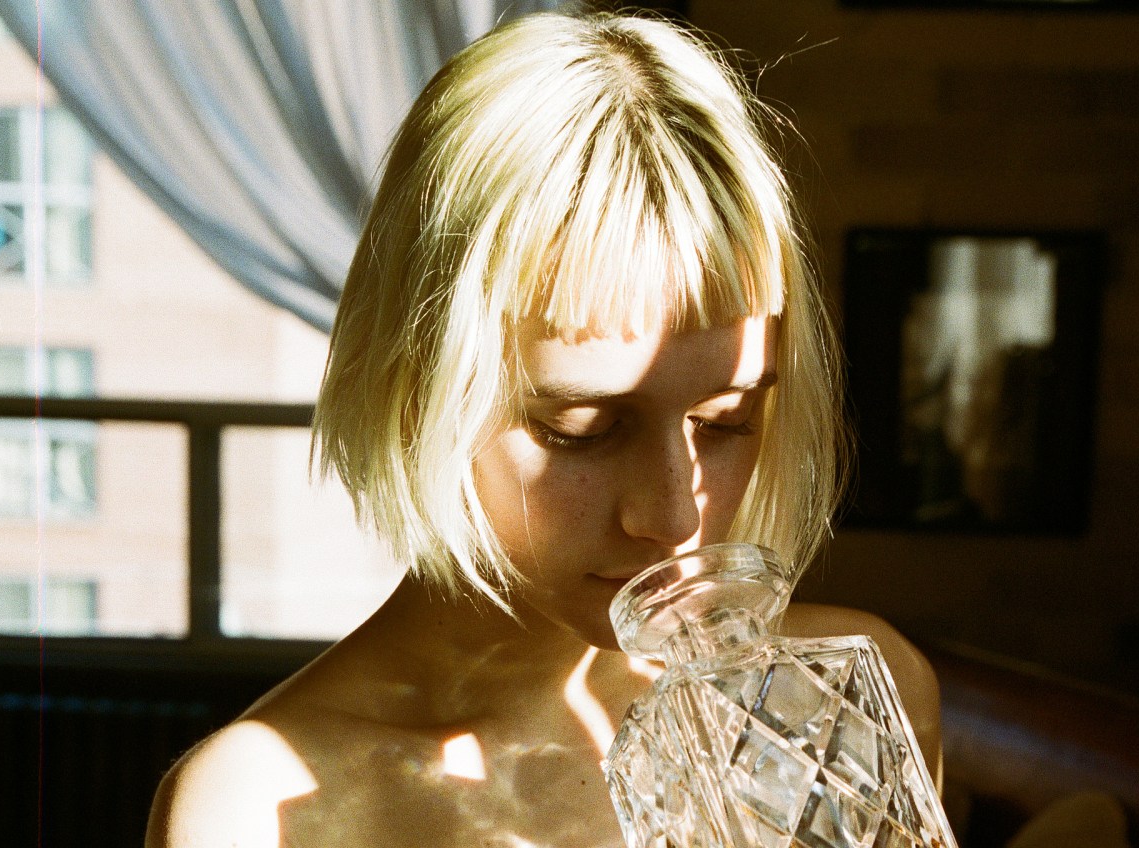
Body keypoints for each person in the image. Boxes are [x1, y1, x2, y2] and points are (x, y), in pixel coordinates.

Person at [146, 9, 941, 848]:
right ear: (415, 391)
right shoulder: (253, 810)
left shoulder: (853, 701)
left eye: (728, 420)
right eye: (582, 428)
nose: (674, 518)